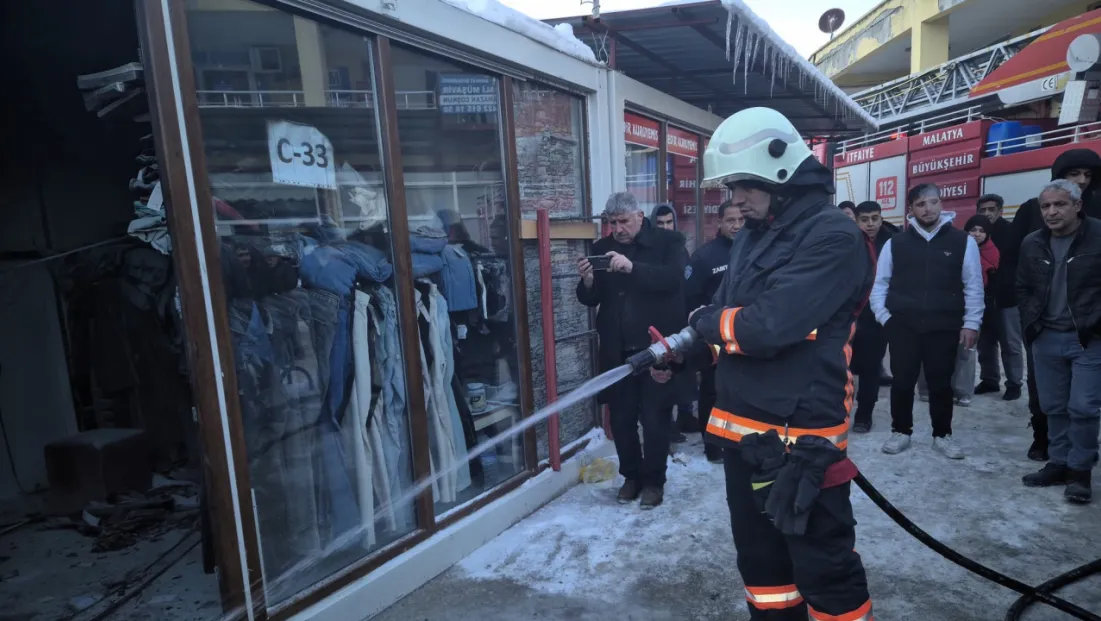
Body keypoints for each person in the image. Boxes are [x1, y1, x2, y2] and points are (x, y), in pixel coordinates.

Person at [687, 107, 875, 621]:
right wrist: (683, 352)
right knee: (764, 572)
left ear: (783, 171)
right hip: (743, 434)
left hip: (803, 442)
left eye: (745, 184)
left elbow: (765, 326)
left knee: (825, 572)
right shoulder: (753, 233)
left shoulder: (833, 235)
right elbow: (730, 319)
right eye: (731, 186)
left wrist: (706, 324)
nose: (735, 199)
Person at [577, 192, 686, 509]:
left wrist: (632, 268)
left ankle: (654, 482)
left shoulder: (669, 243)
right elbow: (592, 298)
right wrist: (587, 282)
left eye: (623, 221)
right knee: (621, 420)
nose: (618, 229)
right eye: (612, 222)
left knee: (654, 420)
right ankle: (631, 476)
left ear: (640, 216)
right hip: (616, 349)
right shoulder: (601, 248)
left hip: (656, 351)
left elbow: (673, 279)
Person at [870, 183, 984, 460]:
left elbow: (973, 285)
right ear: (911, 209)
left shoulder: (962, 242)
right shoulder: (895, 244)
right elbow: (880, 284)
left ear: (941, 203)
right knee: (902, 381)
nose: (928, 209)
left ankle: (942, 435)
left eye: (933, 202)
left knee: (941, 383)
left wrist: (971, 323)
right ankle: (901, 431)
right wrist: (885, 318)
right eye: (921, 204)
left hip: (944, 327)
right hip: (903, 326)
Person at [1013, 149, 1101, 461]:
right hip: (1044, 330)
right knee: (1049, 398)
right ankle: (1050, 449)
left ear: (1077, 206)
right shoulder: (1031, 223)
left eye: (1088, 176)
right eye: (1075, 173)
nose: (1082, 180)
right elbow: (1020, 276)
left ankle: (1080, 466)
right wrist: (1030, 320)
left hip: (1087, 334)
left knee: (1084, 404)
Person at [683, 199, 744, 461]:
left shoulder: (755, 250)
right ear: (719, 223)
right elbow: (690, 298)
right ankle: (713, 444)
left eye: (741, 219)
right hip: (714, 336)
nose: (737, 225)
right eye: (731, 220)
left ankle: (741, 438)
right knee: (712, 390)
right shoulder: (705, 256)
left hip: (745, 333)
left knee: (741, 389)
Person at [650, 204, 696, 442]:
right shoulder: (652, 251)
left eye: (669, 222)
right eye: (660, 223)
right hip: (659, 320)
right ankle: (667, 423)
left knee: (683, 369)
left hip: (681, 317)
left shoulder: (680, 249)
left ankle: (685, 415)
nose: (666, 227)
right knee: (663, 371)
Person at [974, 194, 1024, 401]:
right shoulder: (975, 233)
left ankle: (1014, 383)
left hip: (1007, 298)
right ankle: (990, 380)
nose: (987, 213)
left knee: (1010, 343)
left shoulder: (1013, 233)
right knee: (985, 343)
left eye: (991, 209)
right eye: (983, 210)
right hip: (983, 298)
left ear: (1000, 211)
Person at [851, 200, 893, 433]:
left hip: (876, 316)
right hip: (848, 315)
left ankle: (864, 415)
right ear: (857, 221)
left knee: (870, 368)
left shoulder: (892, 242)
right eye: (865, 220)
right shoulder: (848, 241)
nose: (870, 224)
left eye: (874, 218)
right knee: (841, 368)